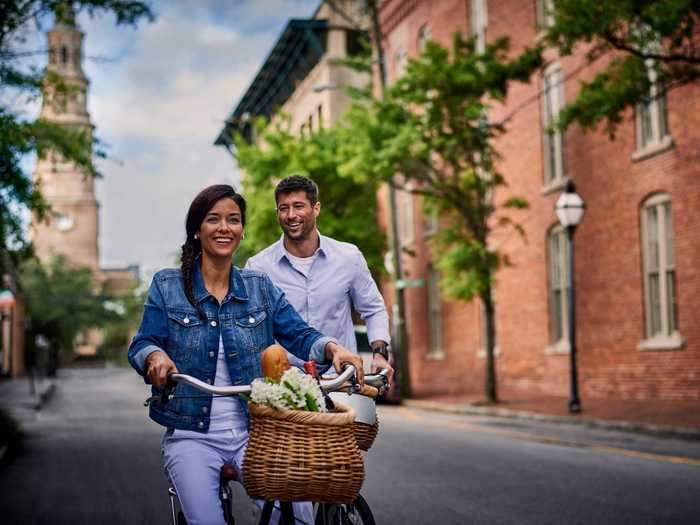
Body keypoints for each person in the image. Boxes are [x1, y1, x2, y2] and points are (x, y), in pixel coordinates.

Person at [128, 184, 363, 525]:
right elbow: (143, 342)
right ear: (197, 229)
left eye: (233, 220)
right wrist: (154, 357)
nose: (224, 227)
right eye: (214, 219)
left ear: (241, 231)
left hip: (259, 433)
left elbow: (299, 334)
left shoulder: (259, 286)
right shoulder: (167, 285)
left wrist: (333, 348)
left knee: (297, 516)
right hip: (191, 435)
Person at [245, 175, 394, 383]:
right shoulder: (258, 267)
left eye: (298, 206)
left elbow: (373, 308)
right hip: (286, 387)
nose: (291, 215)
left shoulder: (348, 257)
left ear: (316, 208)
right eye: (283, 208)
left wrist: (380, 354)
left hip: (343, 379)